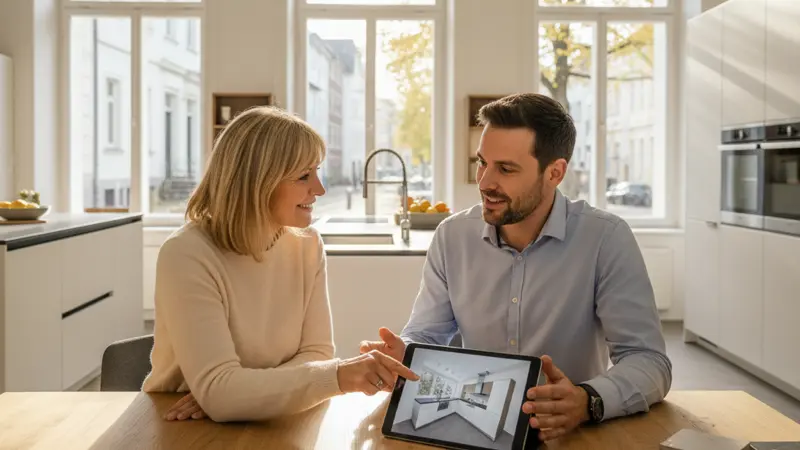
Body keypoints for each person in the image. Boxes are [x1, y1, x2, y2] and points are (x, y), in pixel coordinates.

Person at [360, 93, 672, 441]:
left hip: (565, 435)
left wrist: (588, 400)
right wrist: (405, 352)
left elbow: (649, 361)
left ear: (555, 172)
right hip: (470, 430)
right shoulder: (452, 236)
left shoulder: (606, 239)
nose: (484, 182)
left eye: (505, 169)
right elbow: (427, 335)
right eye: (482, 163)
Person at [142, 106, 418, 422]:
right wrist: (337, 377)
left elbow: (317, 354)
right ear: (256, 182)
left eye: (317, 171)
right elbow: (222, 393)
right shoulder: (187, 254)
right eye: (304, 176)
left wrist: (240, 394)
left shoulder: (307, 244)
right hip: (179, 425)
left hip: (275, 421)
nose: (320, 189)